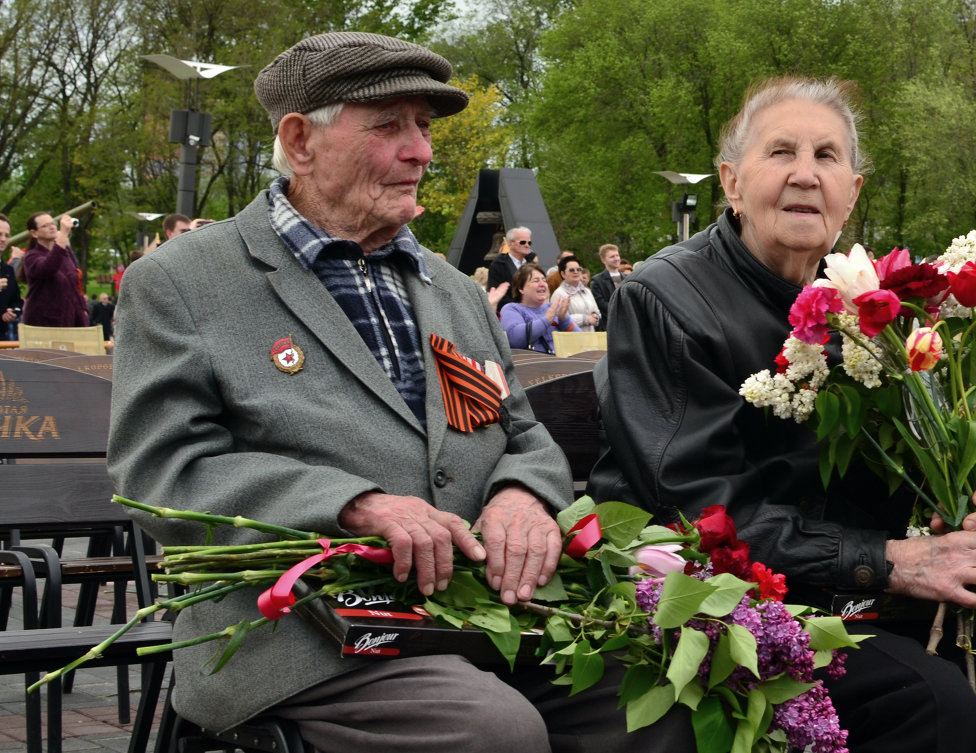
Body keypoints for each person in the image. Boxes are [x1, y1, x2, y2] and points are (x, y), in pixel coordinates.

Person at [108, 32, 688, 753]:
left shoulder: (452, 291)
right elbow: (163, 471)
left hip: (473, 618)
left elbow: (520, 435)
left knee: (660, 702)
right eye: (389, 126)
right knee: (493, 731)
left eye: (423, 127)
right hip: (301, 633)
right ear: (299, 140)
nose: (421, 151)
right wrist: (353, 505)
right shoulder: (185, 281)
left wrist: (518, 496)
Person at [588, 76, 976, 753]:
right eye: (780, 152)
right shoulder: (666, 299)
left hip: (853, 594)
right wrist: (892, 557)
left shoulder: (872, 309)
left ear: (853, 192)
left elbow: (887, 481)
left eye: (826, 156)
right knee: (927, 699)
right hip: (729, 608)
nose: (805, 176)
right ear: (730, 181)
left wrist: (955, 507)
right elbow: (698, 513)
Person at [21, 212, 88, 327]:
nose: (52, 227)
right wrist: (62, 236)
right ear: (34, 233)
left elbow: (75, 285)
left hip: (70, 320)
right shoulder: (31, 257)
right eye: (45, 225)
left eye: (53, 223)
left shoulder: (66, 253)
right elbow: (49, 266)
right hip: (44, 323)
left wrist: (83, 310)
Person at [499, 264, 575, 353]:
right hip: (535, 364)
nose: (542, 284)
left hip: (565, 363)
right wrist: (546, 321)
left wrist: (564, 319)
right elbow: (514, 339)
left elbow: (581, 340)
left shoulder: (553, 307)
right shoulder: (512, 309)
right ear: (521, 288)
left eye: (544, 280)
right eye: (536, 281)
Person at [548, 255, 600, 331]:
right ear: (563, 274)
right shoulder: (559, 294)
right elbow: (556, 319)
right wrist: (585, 319)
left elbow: (597, 312)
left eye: (578, 269)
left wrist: (595, 317)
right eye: (571, 270)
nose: (576, 272)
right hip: (571, 339)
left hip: (591, 338)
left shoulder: (587, 291)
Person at [487, 226, 532, 307]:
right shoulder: (498, 265)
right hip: (510, 312)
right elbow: (497, 294)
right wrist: (521, 306)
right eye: (523, 242)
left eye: (529, 243)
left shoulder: (532, 265)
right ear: (510, 244)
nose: (527, 245)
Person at [589, 243, 625, 332]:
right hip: (610, 326)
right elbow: (600, 303)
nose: (616, 258)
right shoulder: (597, 281)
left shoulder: (628, 278)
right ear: (603, 260)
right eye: (612, 257)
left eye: (617, 255)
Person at [0, 214, 20, 341]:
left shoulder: (8, 270)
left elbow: (17, 301)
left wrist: (13, 312)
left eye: (6, 235)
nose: (3, 239)